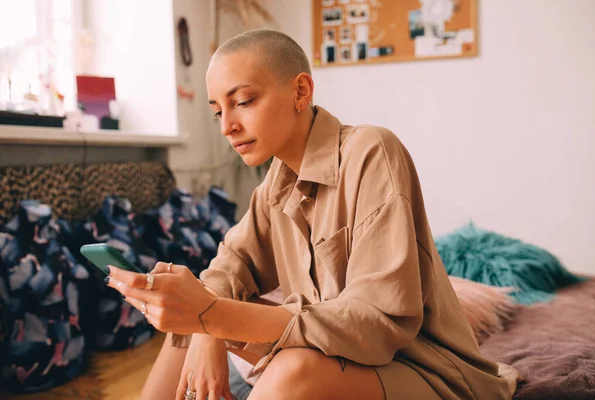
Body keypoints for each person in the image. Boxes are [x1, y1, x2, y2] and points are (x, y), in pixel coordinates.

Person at [105, 29, 511, 400]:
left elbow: (375, 325)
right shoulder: (275, 185)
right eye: (217, 111)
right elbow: (231, 265)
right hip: (345, 360)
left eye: (243, 101)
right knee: (184, 328)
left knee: (292, 369)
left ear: (301, 91)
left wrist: (214, 316)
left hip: (421, 369)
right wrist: (203, 325)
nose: (227, 125)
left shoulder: (371, 151)